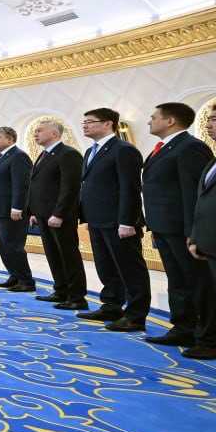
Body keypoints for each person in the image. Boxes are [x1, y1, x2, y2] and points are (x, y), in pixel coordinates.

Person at [141, 103, 215, 353]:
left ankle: (206, 337)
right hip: (163, 227)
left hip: (182, 229)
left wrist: (192, 232)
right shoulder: (164, 148)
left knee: (197, 283)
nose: (149, 121)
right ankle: (183, 328)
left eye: (154, 117)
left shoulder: (190, 147)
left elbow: (193, 193)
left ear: (170, 120)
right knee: (177, 281)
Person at [76, 108, 150, 331]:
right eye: (84, 122)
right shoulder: (90, 151)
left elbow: (130, 188)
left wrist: (127, 221)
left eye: (90, 122)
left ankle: (135, 316)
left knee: (130, 270)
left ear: (108, 124)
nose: (85, 125)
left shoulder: (123, 150)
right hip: (97, 220)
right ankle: (111, 306)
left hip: (119, 222)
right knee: (106, 267)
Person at [189, 101, 216, 374]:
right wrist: (196, 236)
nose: (208, 124)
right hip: (215, 245)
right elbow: (204, 201)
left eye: (215, 119)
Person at [26, 120, 87, 310]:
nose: (35, 134)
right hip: (43, 215)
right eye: (35, 131)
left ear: (54, 133)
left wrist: (59, 213)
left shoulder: (68, 154)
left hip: (60, 216)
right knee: (53, 255)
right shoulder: (44, 154)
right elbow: (39, 186)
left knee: (68, 255)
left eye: (39, 131)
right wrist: (33, 211)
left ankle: (77, 297)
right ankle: (61, 290)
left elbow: (70, 187)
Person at [0, 126, 35, 292]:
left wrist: (17, 207)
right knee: (3, 246)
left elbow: (22, 185)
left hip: (11, 212)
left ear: (10, 139)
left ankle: (26, 281)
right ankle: (14, 276)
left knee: (13, 246)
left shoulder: (19, 156)